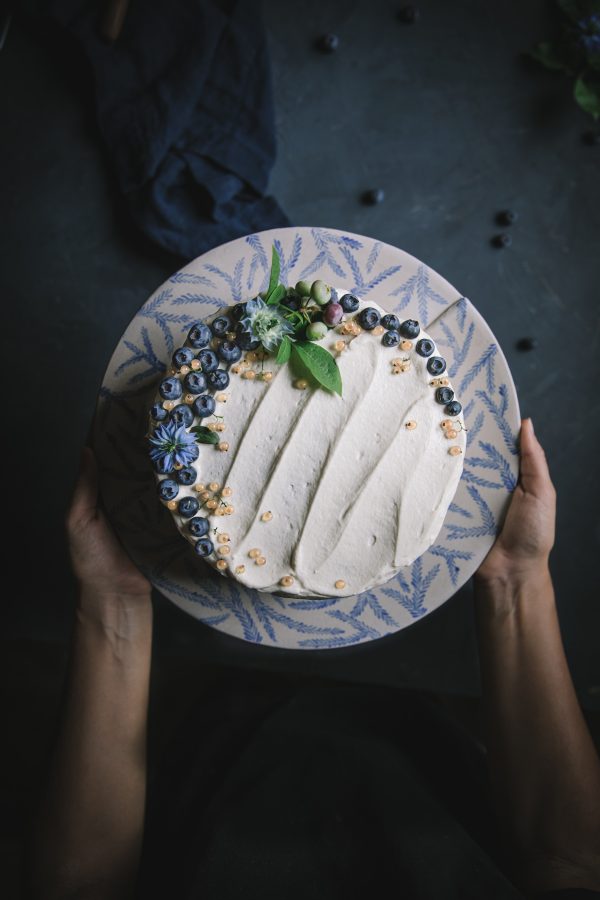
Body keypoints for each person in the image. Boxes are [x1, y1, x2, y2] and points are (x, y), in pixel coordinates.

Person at [25, 420, 600, 899]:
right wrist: (516, 577)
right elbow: (570, 862)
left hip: (214, 767)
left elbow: (82, 886)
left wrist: (114, 598)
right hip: (421, 758)